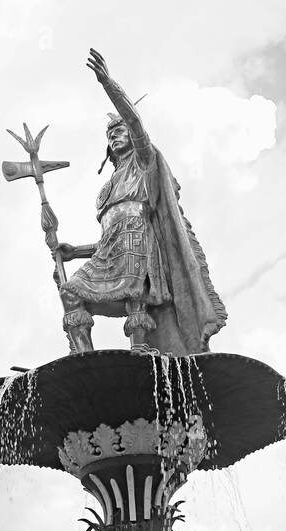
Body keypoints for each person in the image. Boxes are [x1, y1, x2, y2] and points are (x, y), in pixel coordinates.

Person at [57, 49, 228, 355]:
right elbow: (108, 239)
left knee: (137, 295)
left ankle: (141, 349)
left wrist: (108, 84)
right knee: (70, 290)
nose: (115, 136)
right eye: (110, 135)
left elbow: (136, 123)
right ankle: (82, 355)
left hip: (139, 244)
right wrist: (75, 251)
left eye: (119, 130)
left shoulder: (144, 163)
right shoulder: (107, 188)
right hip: (111, 251)